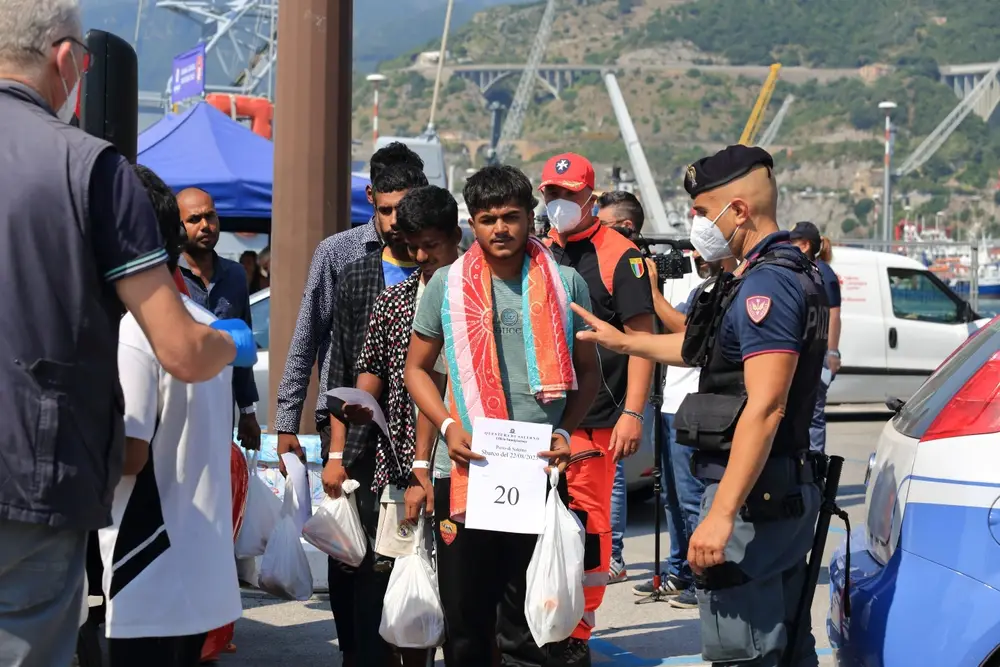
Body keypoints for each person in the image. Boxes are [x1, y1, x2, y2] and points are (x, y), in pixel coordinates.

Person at [0, 4, 255, 664]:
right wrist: (227, 341)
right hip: (34, 478)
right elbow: (179, 346)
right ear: (64, 60)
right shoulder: (90, 167)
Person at [572, 145, 829, 667]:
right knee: (779, 650)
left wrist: (721, 515)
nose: (696, 222)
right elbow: (703, 346)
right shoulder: (769, 272)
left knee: (747, 652)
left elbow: (765, 406)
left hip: (756, 499)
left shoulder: (767, 285)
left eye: (701, 210)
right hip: (772, 490)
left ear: (738, 210)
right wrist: (624, 342)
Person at [404, 165, 600, 667]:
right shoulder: (446, 285)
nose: (501, 229)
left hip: (537, 471)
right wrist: (446, 430)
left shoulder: (567, 283)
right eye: (488, 218)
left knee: (528, 623)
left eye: (511, 216)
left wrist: (563, 430)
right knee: (466, 623)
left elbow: (589, 374)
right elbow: (416, 371)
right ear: (472, 222)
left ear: (530, 216)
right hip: (465, 472)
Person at [98, 165, 242, 667]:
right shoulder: (203, 325)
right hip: (192, 565)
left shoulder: (134, 332)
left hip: (146, 571)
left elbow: (130, 454)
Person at [326, 184, 464, 666]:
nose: (422, 255)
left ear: (456, 236)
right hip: (398, 471)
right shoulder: (393, 302)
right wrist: (350, 424)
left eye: (432, 245)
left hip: (465, 469)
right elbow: (366, 376)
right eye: (412, 246)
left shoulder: (479, 296)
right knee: (402, 596)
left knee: (462, 599)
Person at [540, 154, 655, 630]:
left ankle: (579, 628)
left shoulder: (620, 256)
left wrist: (634, 413)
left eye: (568, 194)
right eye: (551, 193)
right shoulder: (537, 250)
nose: (558, 202)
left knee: (587, 524)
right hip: (538, 417)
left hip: (598, 418)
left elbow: (643, 342)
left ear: (590, 197)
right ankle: (541, 619)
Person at [320, 162, 429, 666]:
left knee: (422, 570)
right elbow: (339, 369)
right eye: (385, 210)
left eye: (402, 210)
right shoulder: (356, 272)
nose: (393, 222)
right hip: (367, 450)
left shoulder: (451, 276)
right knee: (360, 568)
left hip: (434, 452)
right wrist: (335, 452)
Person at [275, 141, 424, 471]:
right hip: (344, 415)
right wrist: (287, 422)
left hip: (416, 412)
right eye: (387, 201)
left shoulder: (435, 256)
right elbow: (306, 336)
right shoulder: (337, 252)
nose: (397, 215)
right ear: (372, 194)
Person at [630, 251, 737, 609]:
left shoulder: (717, 285)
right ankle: (678, 569)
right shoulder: (691, 281)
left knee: (691, 498)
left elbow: (688, 332)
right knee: (671, 497)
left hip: (692, 406)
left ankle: (699, 577)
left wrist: (652, 294)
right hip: (669, 401)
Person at [178, 188, 261, 451]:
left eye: (210, 217)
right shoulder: (165, 274)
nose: (205, 226)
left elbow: (242, 345)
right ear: (178, 227)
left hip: (222, 410)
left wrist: (248, 411)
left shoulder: (235, 275)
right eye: (194, 219)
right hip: (177, 410)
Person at [594, 189, 648, 582]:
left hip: (615, 400)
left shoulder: (630, 263)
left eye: (605, 223)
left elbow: (644, 341)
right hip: (582, 400)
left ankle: (612, 554)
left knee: (611, 483)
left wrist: (631, 410)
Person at [789, 223, 842, 453]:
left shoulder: (823, 274)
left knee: (814, 415)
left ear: (805, 244)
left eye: (793, 242)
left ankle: (814, 473)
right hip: (807, 352)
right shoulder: (807, 270)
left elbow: (834, 313)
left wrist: (832, 351)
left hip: (818, 355)